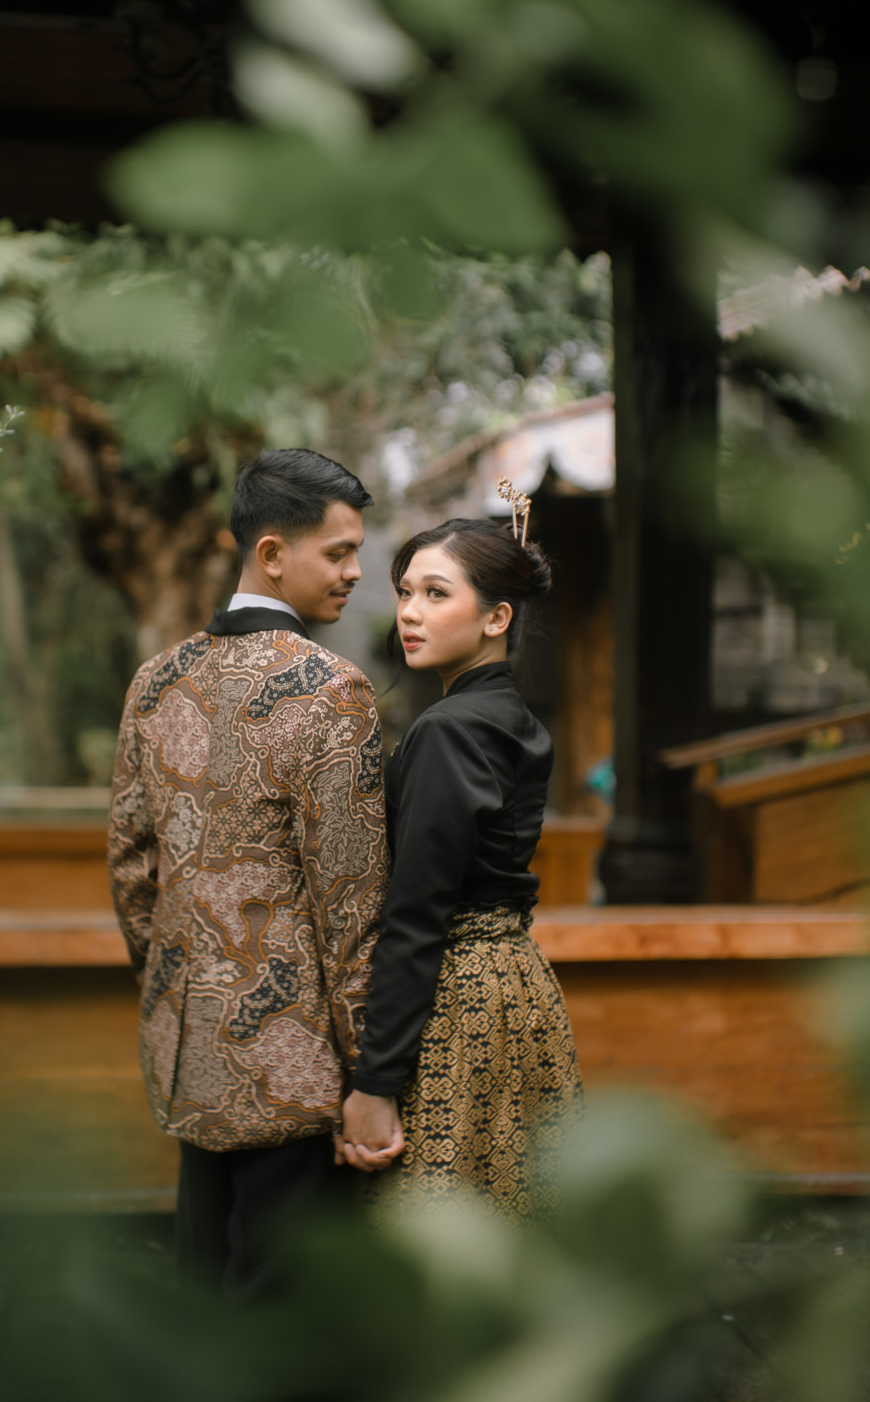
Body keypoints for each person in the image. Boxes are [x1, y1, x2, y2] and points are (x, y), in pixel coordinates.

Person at [108, 448, 391, 1293]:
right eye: (338, 552)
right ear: (271, 553)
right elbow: (352, 902)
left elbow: (132, 870)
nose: (355, 571)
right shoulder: (332, 689)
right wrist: (373, 1074)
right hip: (298, 1066)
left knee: (204, 1296)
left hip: (189, 1053)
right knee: (285, 1317)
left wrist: (177, 990)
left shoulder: (155, 682)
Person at [336, 514, 583, 1219]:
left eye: (436, 593)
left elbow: (417, 913)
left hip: (458, 996)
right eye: (405, 591)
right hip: (517, 983)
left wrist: (376, 1084)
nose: (409, 613)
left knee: (434, 1223)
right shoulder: (509, 717)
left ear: (497, 617)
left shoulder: (449, 730)